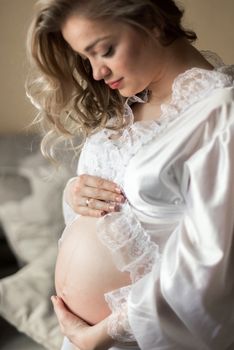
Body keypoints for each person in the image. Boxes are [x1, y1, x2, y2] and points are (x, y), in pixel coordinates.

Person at [26, 0, 234, 349]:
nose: (96, 73)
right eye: (86, 58)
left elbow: (214, 264)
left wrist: (102, 334)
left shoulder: (220, 114)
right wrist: (76, 194)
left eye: (104, 50)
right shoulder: (126, 108)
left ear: (152, 21)